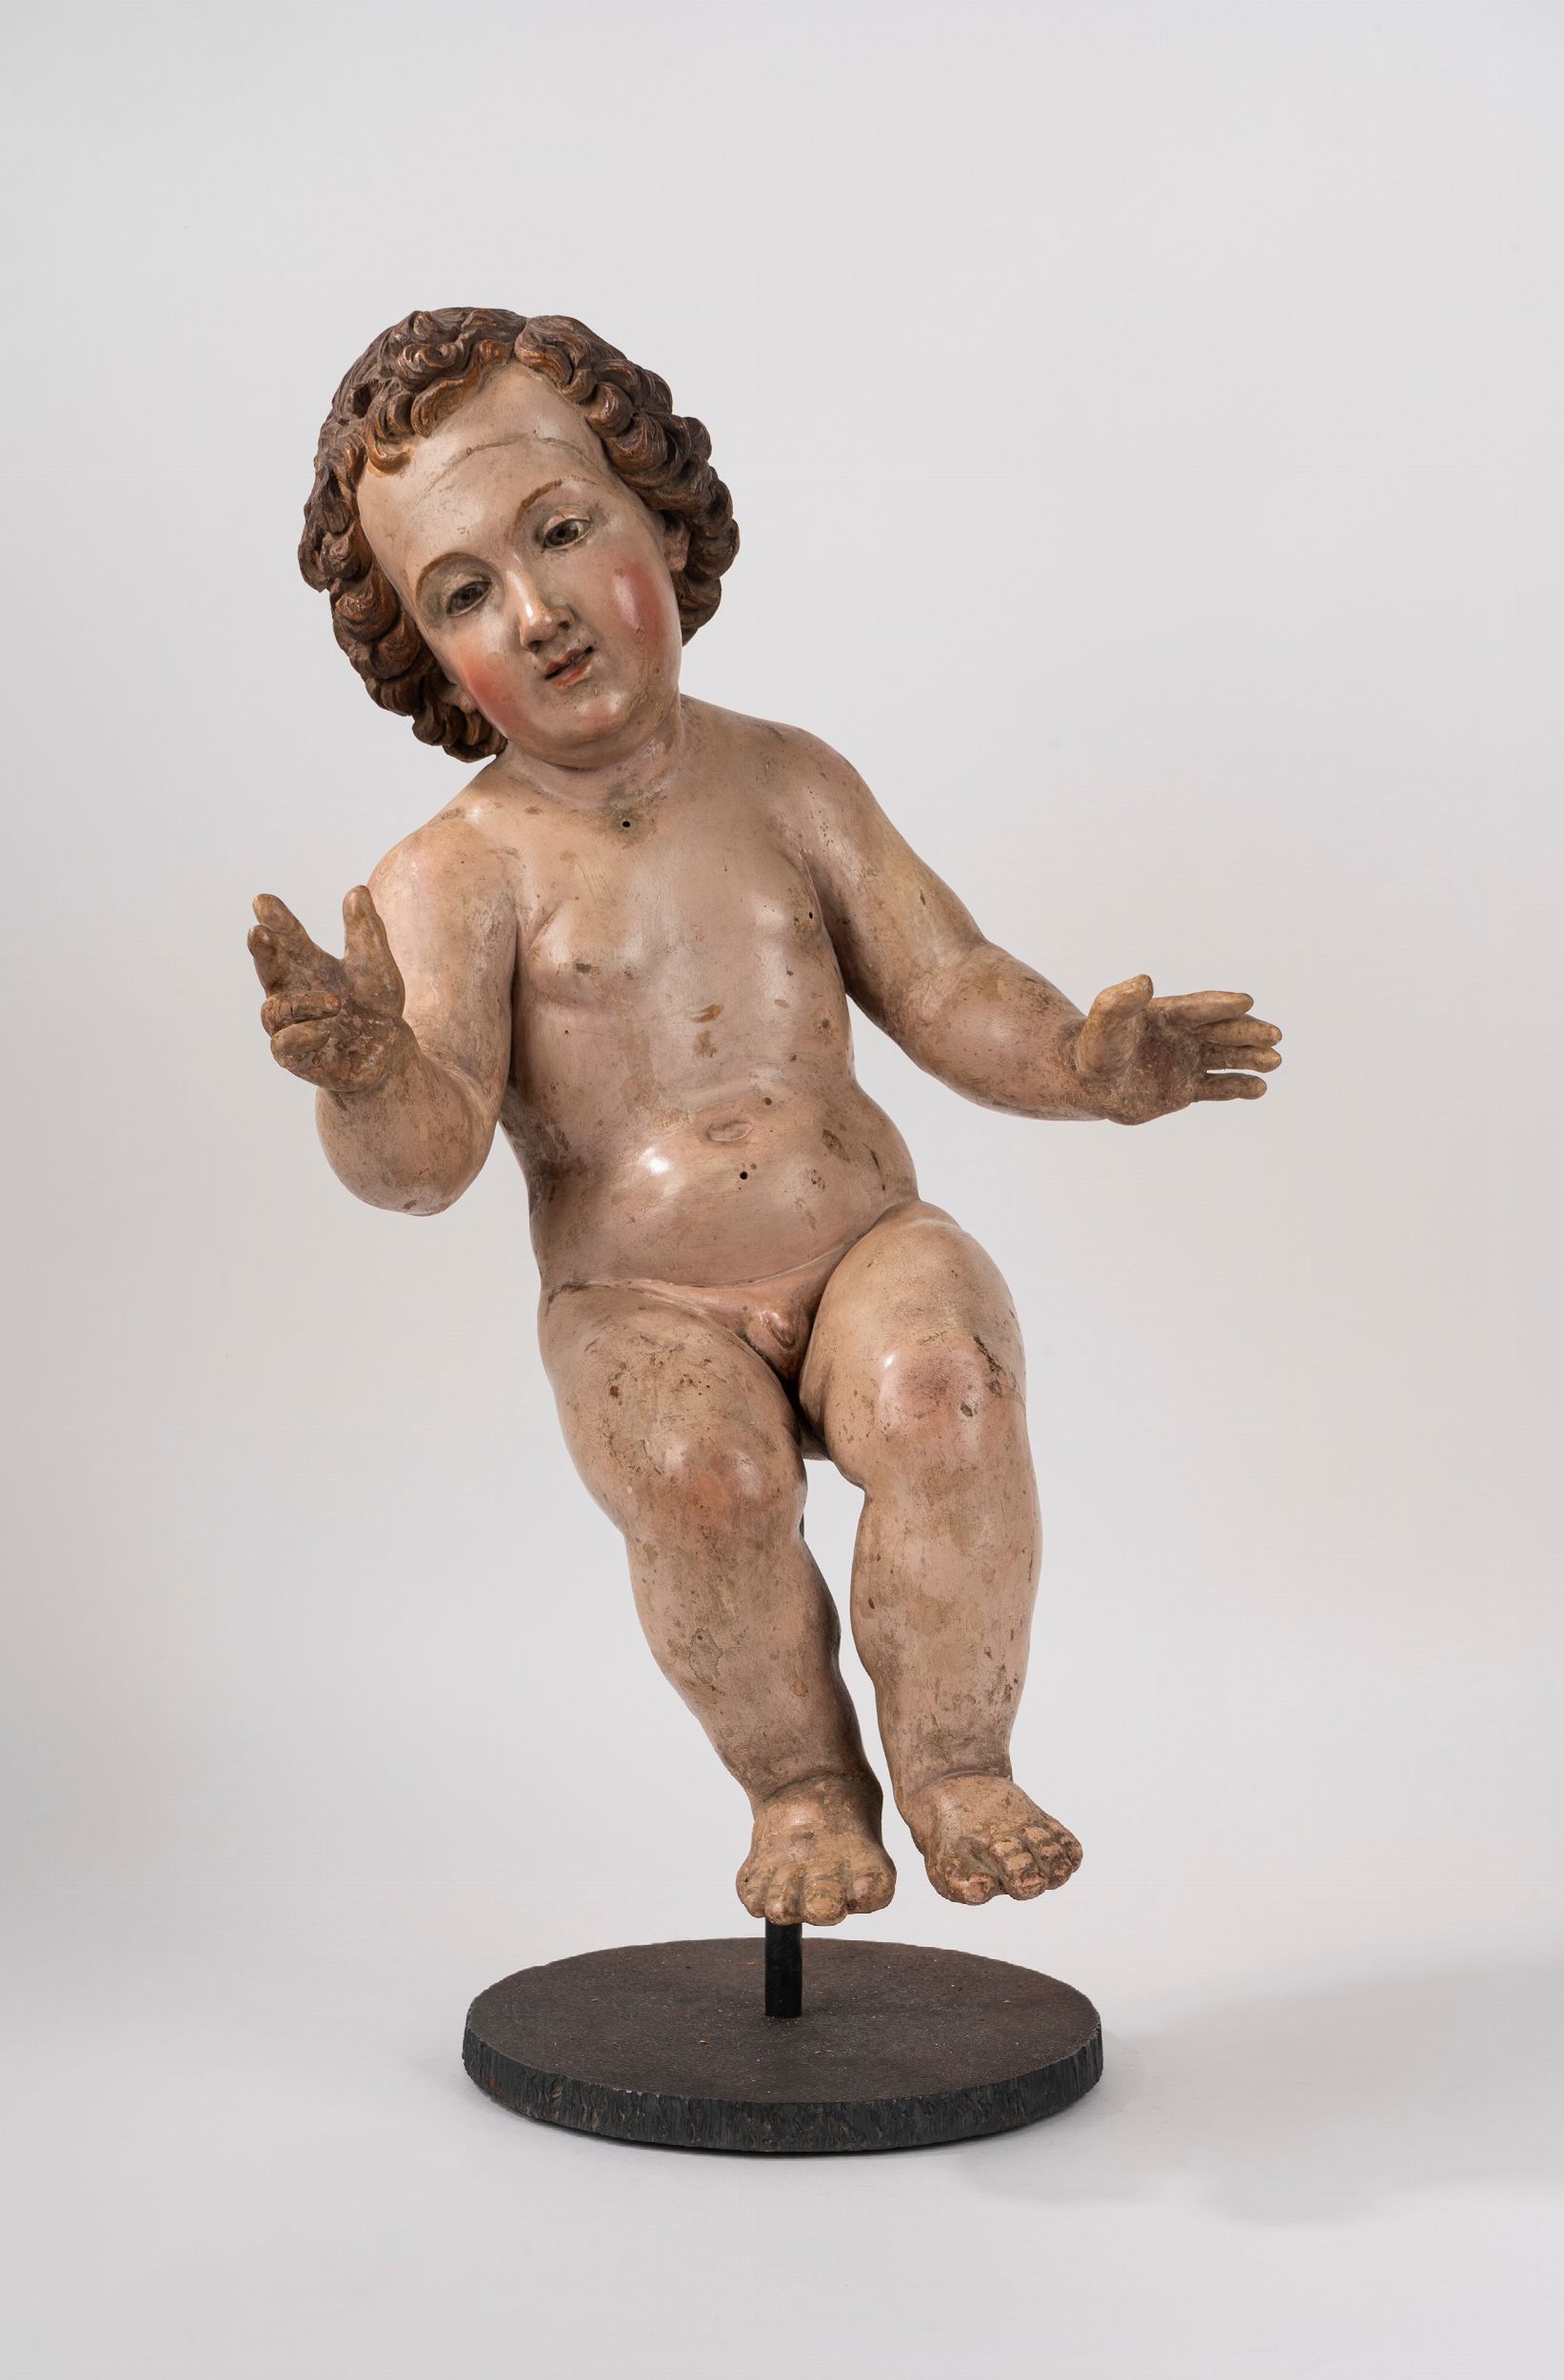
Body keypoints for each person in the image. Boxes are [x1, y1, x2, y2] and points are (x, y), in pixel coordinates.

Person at [250, 309, 1281, 1928]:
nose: (535, 611)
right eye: (461, 593)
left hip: (862, 1235)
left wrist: (1083, 1066)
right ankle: (798, 1785)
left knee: (945, 1393)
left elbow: (943, 982)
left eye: (560, 532)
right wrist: (372, 1074)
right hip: (635, 1296)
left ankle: (955, 1763)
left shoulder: (791, 781)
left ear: (661, 516)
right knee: (702, 1480)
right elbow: (423, 1165)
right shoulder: (456, 873)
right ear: (423, 654)